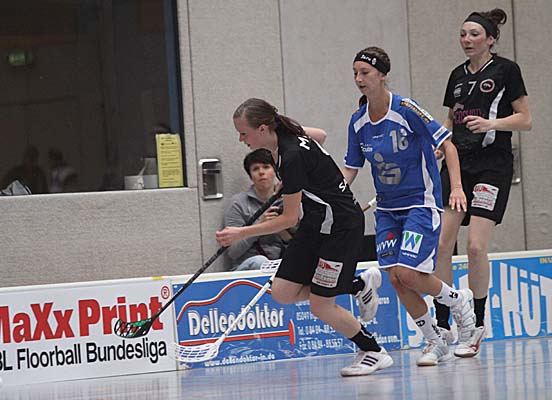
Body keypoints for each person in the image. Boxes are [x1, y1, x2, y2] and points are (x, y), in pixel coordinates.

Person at [216, 98, 391, 377]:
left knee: (321, 305)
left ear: (262, 129)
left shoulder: (291, 156)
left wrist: (241, 232)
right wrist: (297, 179)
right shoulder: (288, 133)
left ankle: (373, 350)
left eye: (243, 133)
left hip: (340, 227)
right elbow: (320, 135)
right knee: (282, 292)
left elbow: (288, 220)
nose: (241, 139)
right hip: (316, 222)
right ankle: (357, 284)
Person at [342, 46, 476, 367]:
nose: (359, 79)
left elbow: (447, 145)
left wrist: (457, 187)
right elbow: (351, 168)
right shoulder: (358, 122)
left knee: (409, 274)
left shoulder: (406, 109)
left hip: (420, 204)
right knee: (396, 279)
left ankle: (458, 300)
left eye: (365, 72)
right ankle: (434, 341)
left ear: (382, 75)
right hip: (387, 211)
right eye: (355, 73)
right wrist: (334, 195)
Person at [433, 8, 532, 357]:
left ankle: (476, 323)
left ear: (490, 39)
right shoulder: (456, 76)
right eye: (463, 34)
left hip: (492, 166)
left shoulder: (506, 70)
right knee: (442, 244)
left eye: (474, 34)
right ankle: (442, 322)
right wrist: (441, 146)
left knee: (475, 247)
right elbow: (451, 119)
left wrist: (492, 125)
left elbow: (526, 119)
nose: (467, 40)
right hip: (458, 166)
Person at [224, 149, 292, 271]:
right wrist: (260, 226)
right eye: (255, 169)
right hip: (247, 268)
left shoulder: (288, 200)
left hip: (280, 265)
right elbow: (233, 252)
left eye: (266, 167)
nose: (261, 172)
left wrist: (279, 228)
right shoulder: (238, 203)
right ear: (250, 176)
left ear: (275, 172)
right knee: (260, 261)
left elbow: (298, 244)